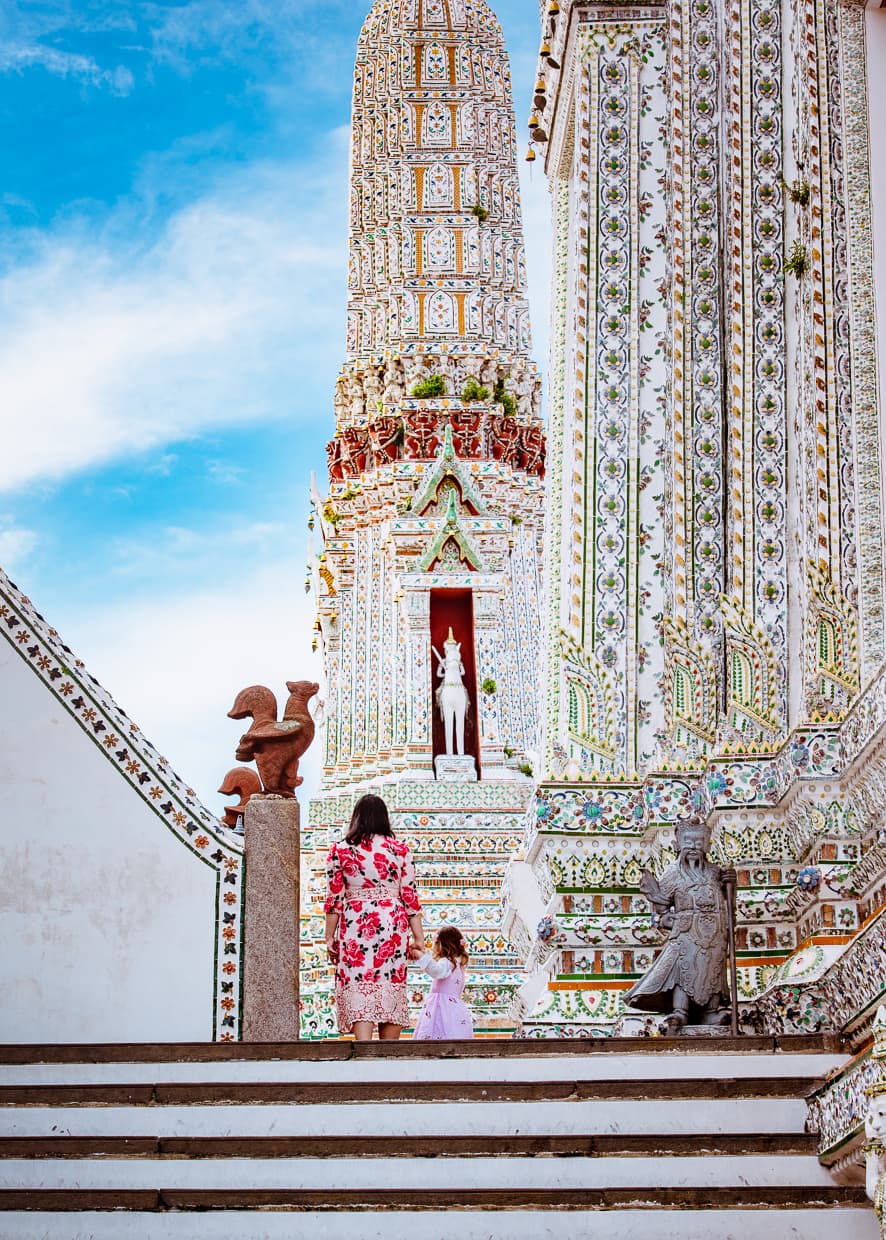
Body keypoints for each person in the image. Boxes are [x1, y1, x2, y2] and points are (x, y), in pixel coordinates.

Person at [324, 794, 423, 1041]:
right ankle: (388, 1056)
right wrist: (419, 938)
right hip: (392, 922)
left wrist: (329, 937)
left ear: (356, 818)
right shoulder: (400, 850)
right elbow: (410, 897)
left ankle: (365, 1051)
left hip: (357, 923)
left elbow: (334, 900)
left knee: (360, 982)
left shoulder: (340, 850)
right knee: (389, 981)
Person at [411, 926, 474, 1040]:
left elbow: (436, 971)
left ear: (442, 945)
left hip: (441, 1008)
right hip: (453, 1008)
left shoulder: (447, 962)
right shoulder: (458, 964)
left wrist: (421, 956)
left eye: (436, 943)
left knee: (437, 1031)